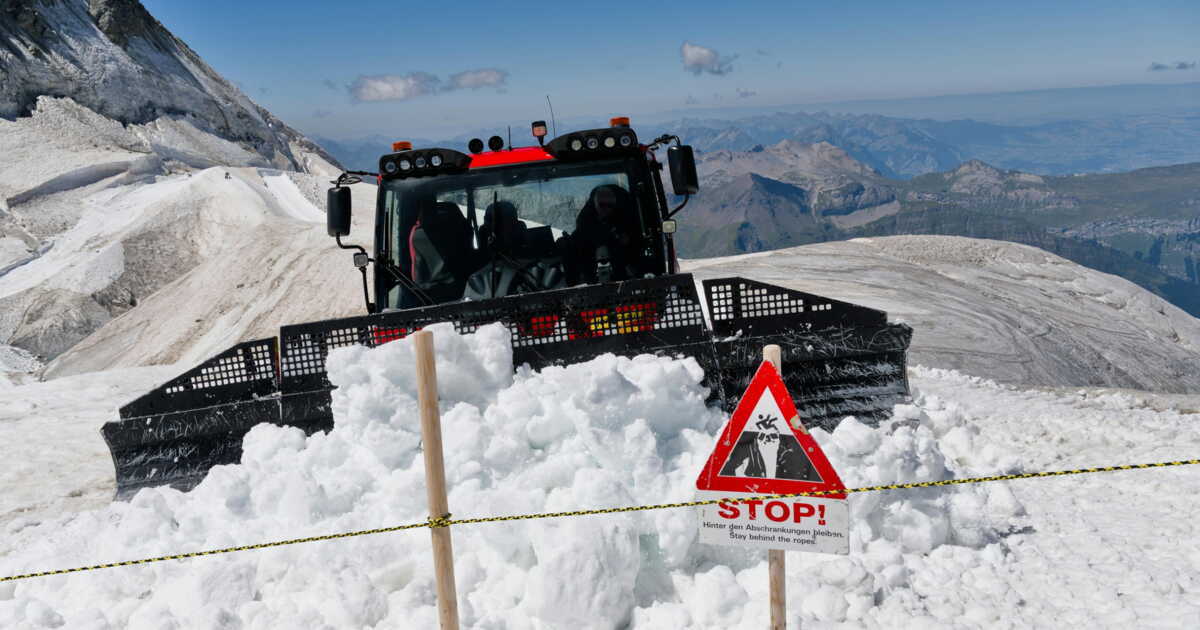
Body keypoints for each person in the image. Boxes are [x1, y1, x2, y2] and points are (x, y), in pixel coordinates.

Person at [572, 184, 644, 283]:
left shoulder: (626, 218)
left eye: (609, 205)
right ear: (595, 203)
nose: (606, 209)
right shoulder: (585, 221)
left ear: (615, 204)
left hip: (621, 269)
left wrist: (626, 241)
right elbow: (580, 240)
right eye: (602, 205)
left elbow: (636, 240)